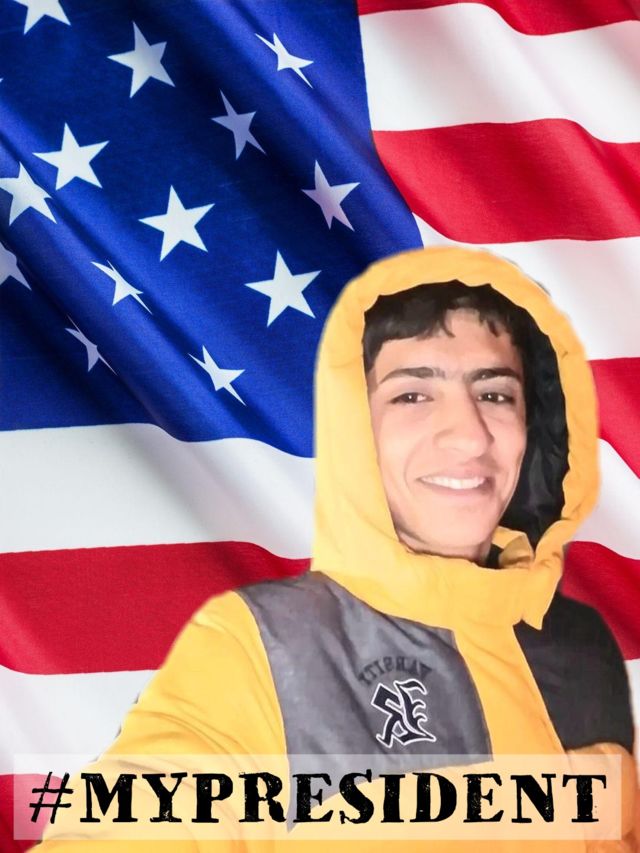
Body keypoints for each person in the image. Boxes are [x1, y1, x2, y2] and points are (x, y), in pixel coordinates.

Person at [36, 246, 637, 850]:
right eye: (412, 395)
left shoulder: (583, 646)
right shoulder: (266, 648)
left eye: (495, 394)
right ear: (354, 429)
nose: (468, 436)